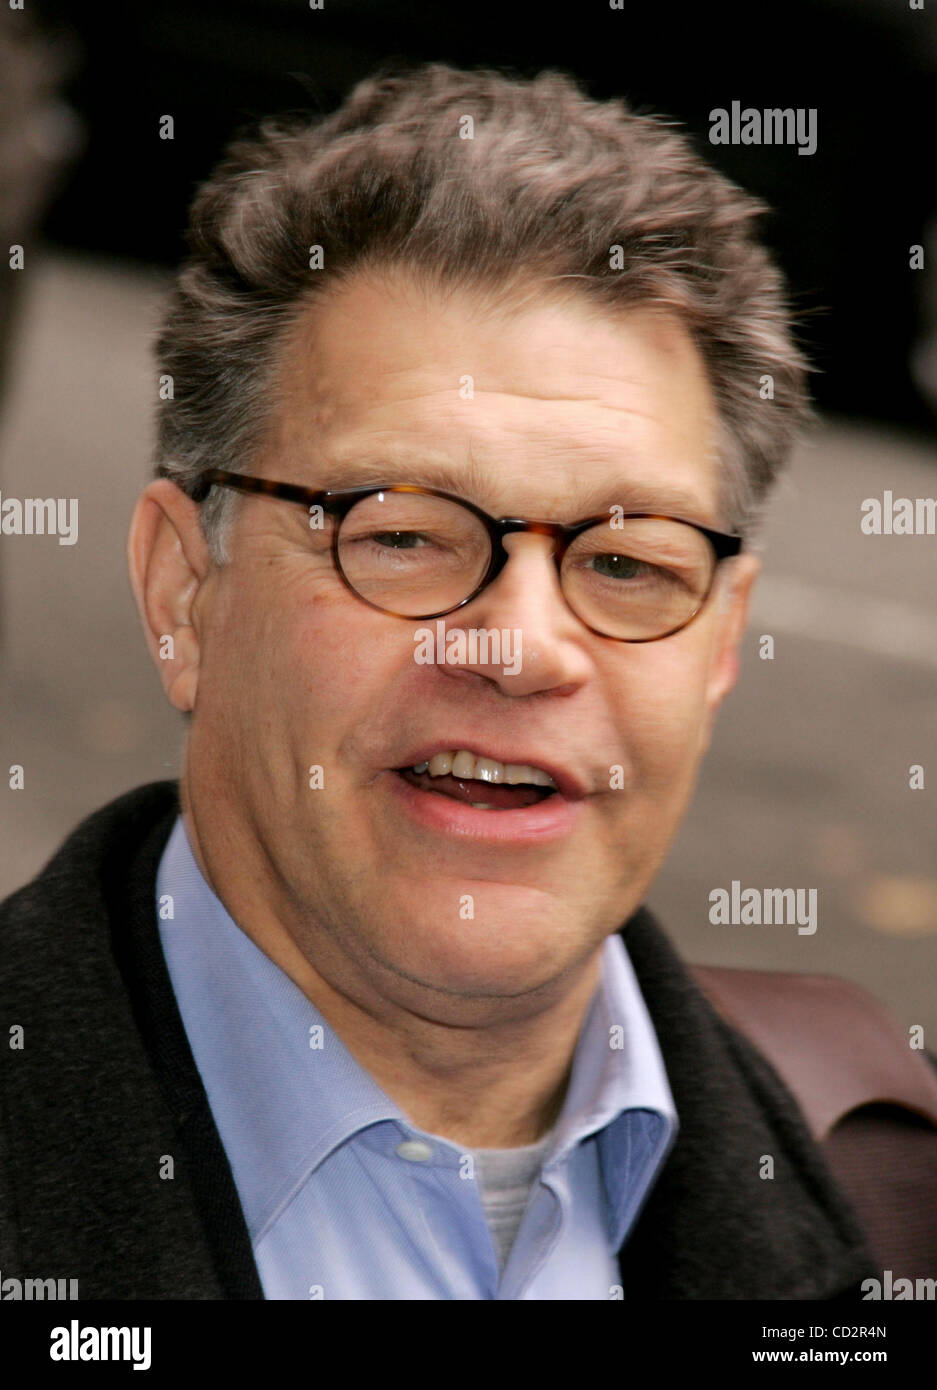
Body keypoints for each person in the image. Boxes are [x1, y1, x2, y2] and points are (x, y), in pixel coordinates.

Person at [0, 61, 879, 1300]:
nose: (521, 649)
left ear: (722, 640)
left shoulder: (892, 1198)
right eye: (401, 534)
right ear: (183, 591)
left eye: (627, 561)